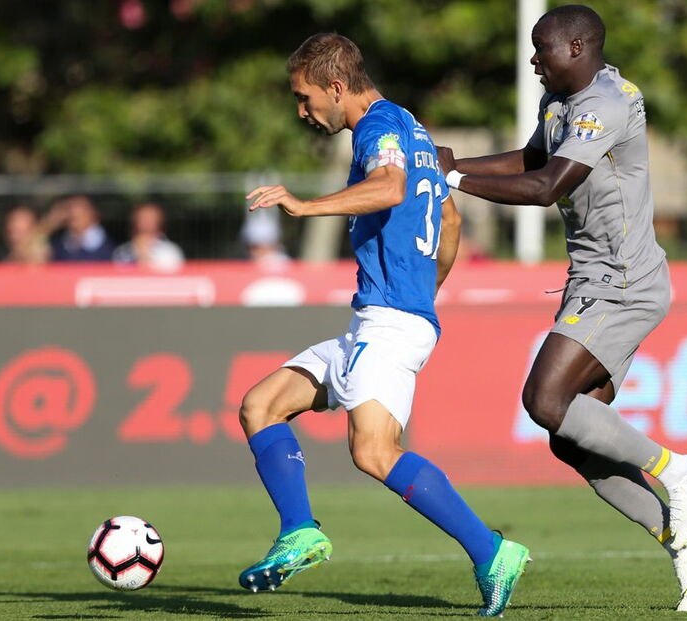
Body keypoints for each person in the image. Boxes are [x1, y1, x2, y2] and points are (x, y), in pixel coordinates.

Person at [436, 5, 687, 612]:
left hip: (621, 281)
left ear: (578, 46)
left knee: (544, 401)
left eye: (542, 50)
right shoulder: (561, 101)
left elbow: (545, 188)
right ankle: (679, 540)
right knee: (569, 436)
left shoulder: (605, 105)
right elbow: (533, 160)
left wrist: (453, 182)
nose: (532, 60)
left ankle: (681, 470)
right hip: (595, 280)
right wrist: (452, 166)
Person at [237, 33, 530, 617]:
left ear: (336, 87)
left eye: (305, 97)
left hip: (389, 323)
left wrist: (304, 205)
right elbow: (448, 218)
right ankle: (299, 531)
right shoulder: (413, 129)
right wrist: (428, 293)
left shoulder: (378, 126)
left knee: (374, 451)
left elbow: (391, 188)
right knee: (260, 405)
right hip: (381, 316)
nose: (302, 111)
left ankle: (491, 550)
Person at [113, 202, 185, 271]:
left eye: (151, 218)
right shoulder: (122, 251)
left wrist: (144, 256)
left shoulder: (171, 251)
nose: (147, 222)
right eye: (143, 218)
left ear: (159, 221)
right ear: (135, 221)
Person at [50, 195, 115, 262]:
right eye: (69, 209)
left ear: (94, 213)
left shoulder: (108, 248)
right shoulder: (58, 245)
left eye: (80, 209)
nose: (73, 213)